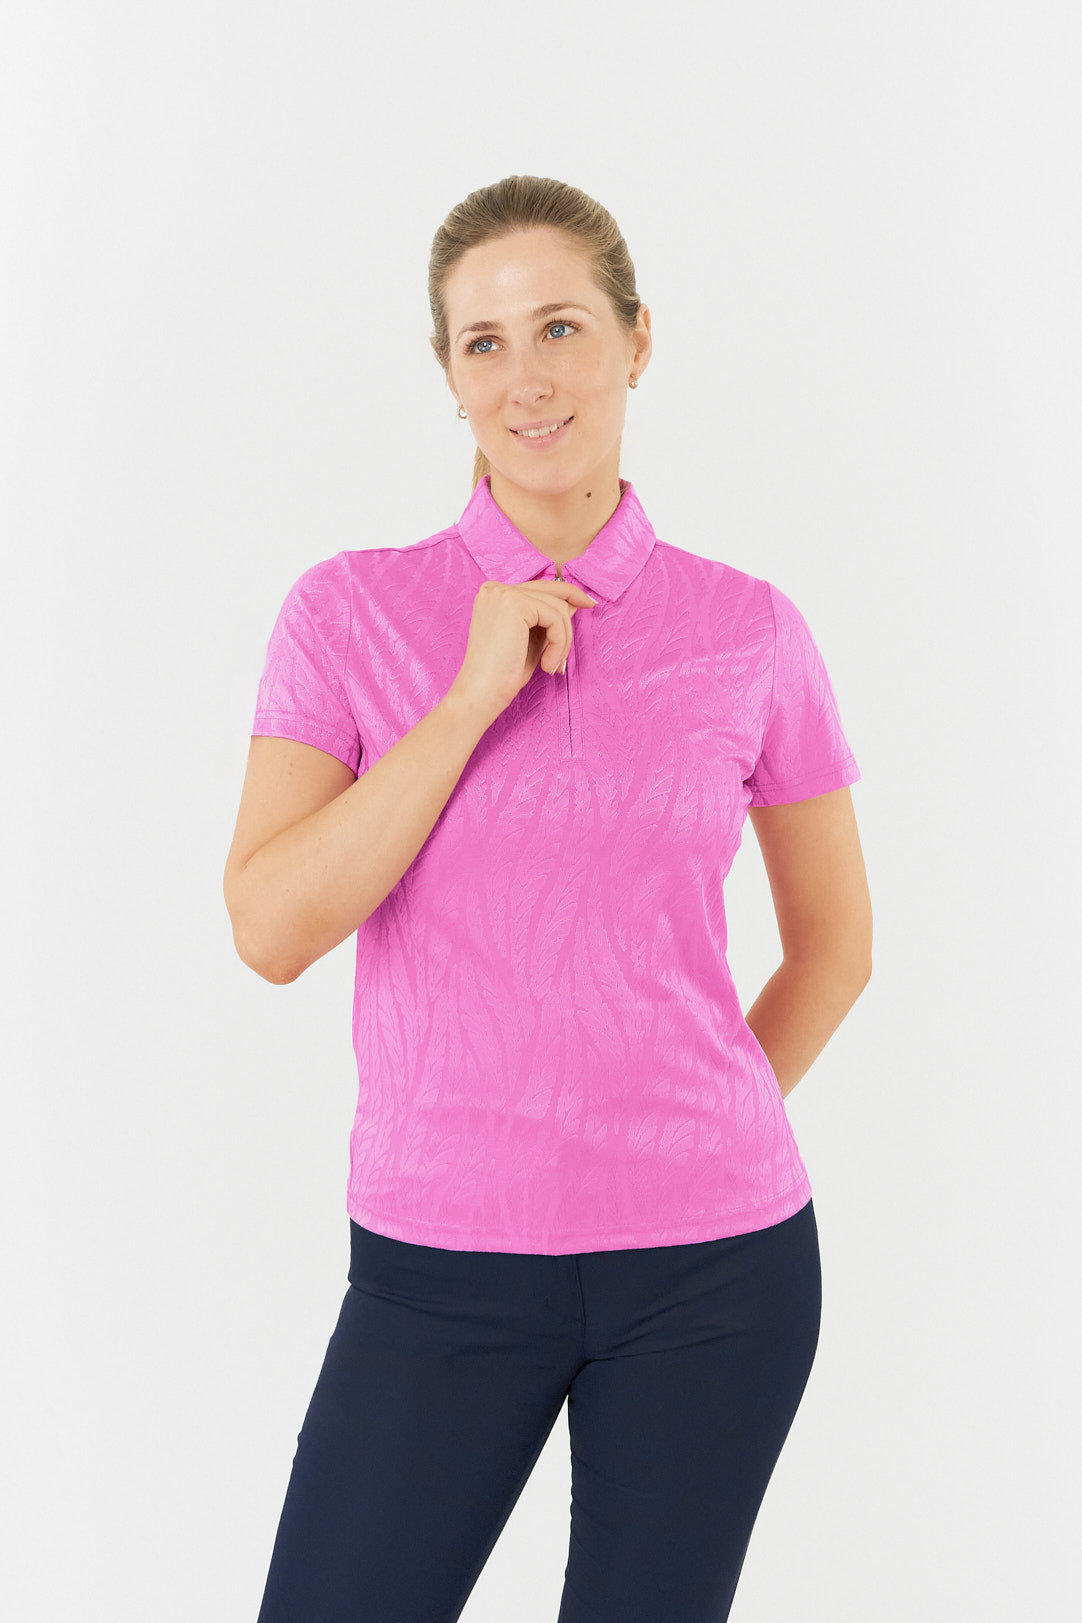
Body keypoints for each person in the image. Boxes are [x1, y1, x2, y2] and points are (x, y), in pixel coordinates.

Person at [223, 174, 873, 1623]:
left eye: (562, 327)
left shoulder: (749, 630)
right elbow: (270, 929)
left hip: (715, 1279)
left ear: (638, 340)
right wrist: (467, 698)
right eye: (486, 342)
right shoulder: (345, 614)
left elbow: (835, 946)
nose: (528, 378)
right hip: (437, 1273)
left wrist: (682, 1131)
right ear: (449, 377)